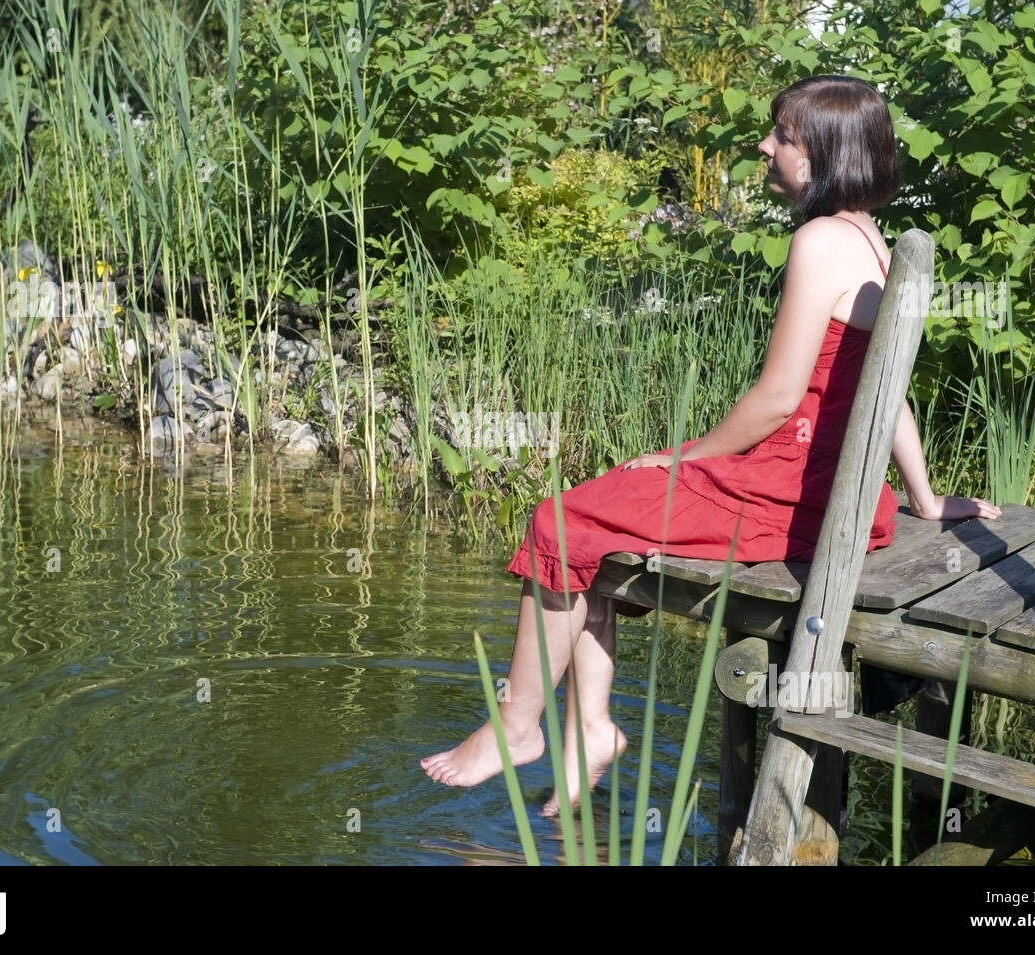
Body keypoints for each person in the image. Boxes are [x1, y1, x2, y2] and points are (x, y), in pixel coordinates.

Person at [420, 74, 1002, 815]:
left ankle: (518, 723)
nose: (765, 146)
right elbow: (886, 389)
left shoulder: (820, 241)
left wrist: (687, 455)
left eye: (782, 137)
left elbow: (778, 398)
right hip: (837, 495)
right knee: (596, 526)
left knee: (557, 522)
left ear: (823, 154)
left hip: (786, 492)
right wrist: (919, 496)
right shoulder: (869, 237)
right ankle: (591, 730)